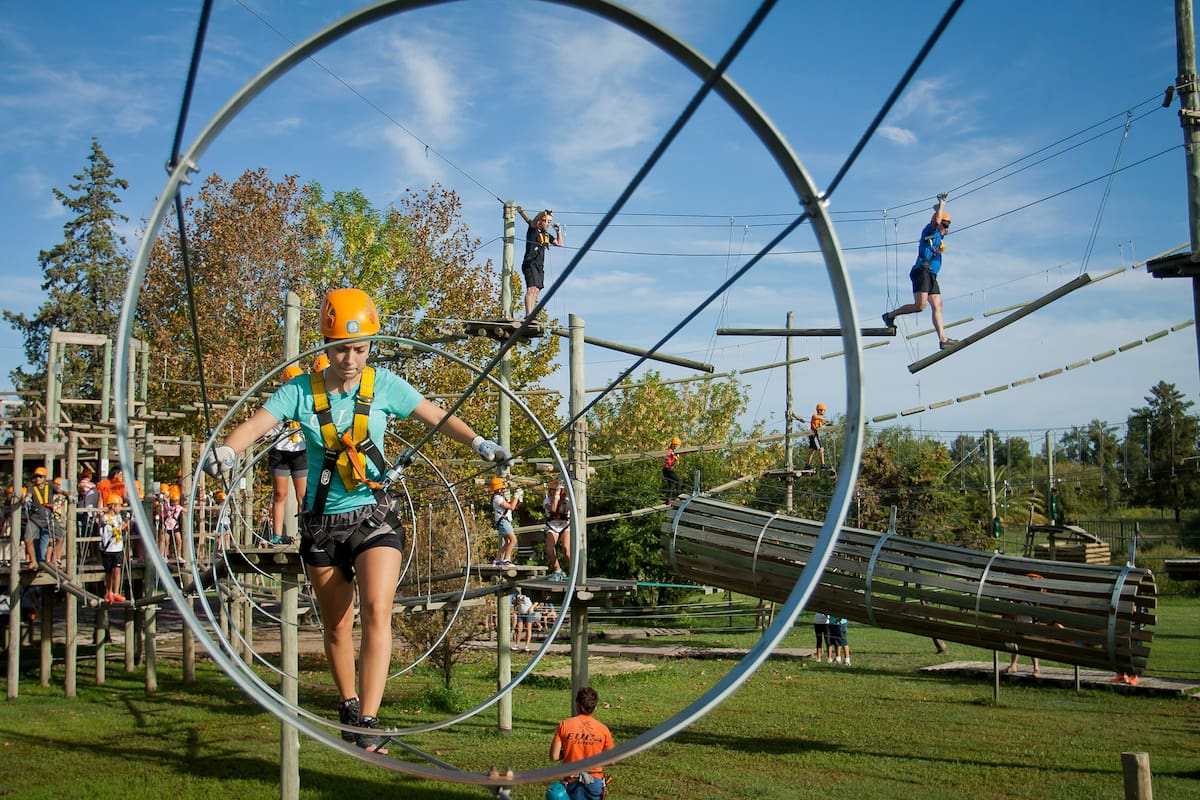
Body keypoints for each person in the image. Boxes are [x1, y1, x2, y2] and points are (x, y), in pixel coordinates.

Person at [204, 287, 510, 754]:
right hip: (322, 526)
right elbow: (257, 423)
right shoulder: (300, 391)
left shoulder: (384, 385)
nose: (351, 358)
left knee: (376, 609)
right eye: (342, 348)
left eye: (360, 348)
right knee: (335, 626)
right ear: (325, 345)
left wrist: (478, 443)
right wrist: (228, 447)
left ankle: (369, 718)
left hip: (375, 517)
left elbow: (437, 416)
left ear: (371, 346)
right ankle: (349, 707)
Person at [882, 192, 959, 350]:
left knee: (938, 305)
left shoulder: (939, 239)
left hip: (931, 275)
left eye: (948, 226)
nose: (947, 228)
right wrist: (941, 204)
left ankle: (943, 339)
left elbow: (938, 220)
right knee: (920, 306)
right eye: (945, 225)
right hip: (921, 272)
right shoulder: (929, 231)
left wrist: (938, 209)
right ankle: (890, 315)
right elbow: (937, 220)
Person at [266, 363, 309, 545]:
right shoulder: (278, 401)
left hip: (299, 451)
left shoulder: (307, 401)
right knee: (280, 494)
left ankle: (305, 532)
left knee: (303, 496)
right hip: (279, 452)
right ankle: (277, 535)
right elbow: (267, 427)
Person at [550, 686, 614, 799]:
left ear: (577, 704)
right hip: (595, 782)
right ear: (595, 708)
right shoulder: (603, 729)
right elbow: (612, 761)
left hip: (571, 781)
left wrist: (568, 752)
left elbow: (554, 756)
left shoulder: (564, 725)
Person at [517, 206, 564, 318]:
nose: (548, 224)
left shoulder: (546, 235)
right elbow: (534, 220)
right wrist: (544, 213)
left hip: (539, 265)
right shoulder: (533, 230)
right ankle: (528, 314)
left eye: (549, 222)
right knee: (531, 288)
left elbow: (559, 243)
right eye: (546, 221)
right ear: (540, 221)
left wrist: (558, 232)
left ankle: (532, 314)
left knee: (537, 290)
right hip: (530, 262)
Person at [23, 466, 60, 567]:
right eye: (36, 477)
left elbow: (61, 491)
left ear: (44, 477)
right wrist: (26, 499)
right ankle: (33, 561)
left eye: (40, 476)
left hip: (48, 518)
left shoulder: (50, 486)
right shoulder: (32, 488)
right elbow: (28, 495)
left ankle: (54, 559)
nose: (37, 479)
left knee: (59, 537)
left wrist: (69, 495)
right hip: (35, 519)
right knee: (28, 539)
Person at [98, 493, 127, 603]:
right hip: (108, 548)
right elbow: (102, 526)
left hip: (118, 548)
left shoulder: (119, 517)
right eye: (118, 506)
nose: (120, 508)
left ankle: (116, 592)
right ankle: (109, 592)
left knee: (117, 570)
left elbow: (119, 528)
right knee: (108, 571)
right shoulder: (105, 518)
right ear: (112, 506)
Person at [544, 479, 571, 580]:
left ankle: (572, 570)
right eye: (550, 494)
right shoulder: (547, 501)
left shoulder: (567, 501)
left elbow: (568, 509)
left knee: (566, 549)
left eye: (553, 493)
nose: (552, 496)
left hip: (565, 525)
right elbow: (554, 509)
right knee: (549, 549)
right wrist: (555, 496)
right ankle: (558, 570)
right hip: (553, 526)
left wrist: (562, 495)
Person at [491, 476, 520, 567]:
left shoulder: (500, 498)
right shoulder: (497, 499)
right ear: (499, 489)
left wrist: (518, 499)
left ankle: (497, 559)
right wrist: (516, 496)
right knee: (513, 540)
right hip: (503, 522)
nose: (504, 490)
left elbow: (513, 506)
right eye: (503, 489)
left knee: (508, 542)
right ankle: (506, 559)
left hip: (503, 522)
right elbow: (511, 507)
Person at [803, 403, 829, 469]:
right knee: (821, 449)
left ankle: (807, 465)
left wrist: (829, 423)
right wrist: (824, 419)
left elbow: (825, 423)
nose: (824, 412)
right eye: (823, 410)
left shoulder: (821, 419)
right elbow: (816, 417)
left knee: (812, 450)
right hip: (814, 435)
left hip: (813, 435)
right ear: (820, 410)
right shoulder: (815, 415)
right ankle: (823, 465)